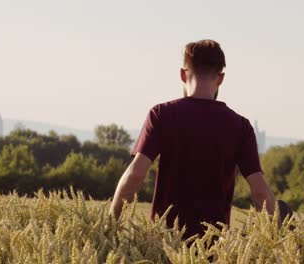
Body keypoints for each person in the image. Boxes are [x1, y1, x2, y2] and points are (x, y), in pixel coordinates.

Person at [109, 39, 277, 239]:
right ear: (221, 78)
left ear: (182, 74)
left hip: (163, 244)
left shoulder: (162, 114)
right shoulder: (240, 126)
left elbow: (136, 174)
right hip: (215, 249)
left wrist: (110, 226)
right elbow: (260, 192)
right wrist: (273, 239)